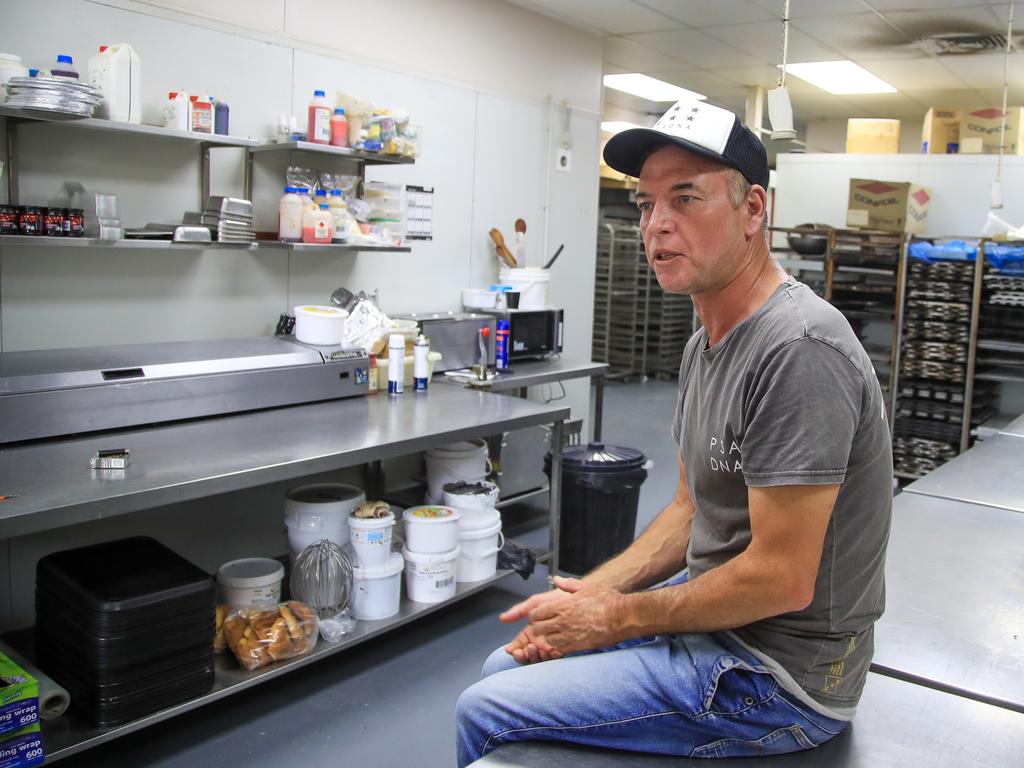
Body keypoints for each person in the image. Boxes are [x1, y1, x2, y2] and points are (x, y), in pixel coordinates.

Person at [455, 98, 893, 766]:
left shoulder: (800, 349)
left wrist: (614, 618)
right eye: (645, 204)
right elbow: (692, 509)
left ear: (753, 212)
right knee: (503, 664)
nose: (656, 227)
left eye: (686, 199)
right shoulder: (705, 344)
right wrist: (597, 591)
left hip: (778, 679)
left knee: (487, 708)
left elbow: (782, 579)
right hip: (721, 629)